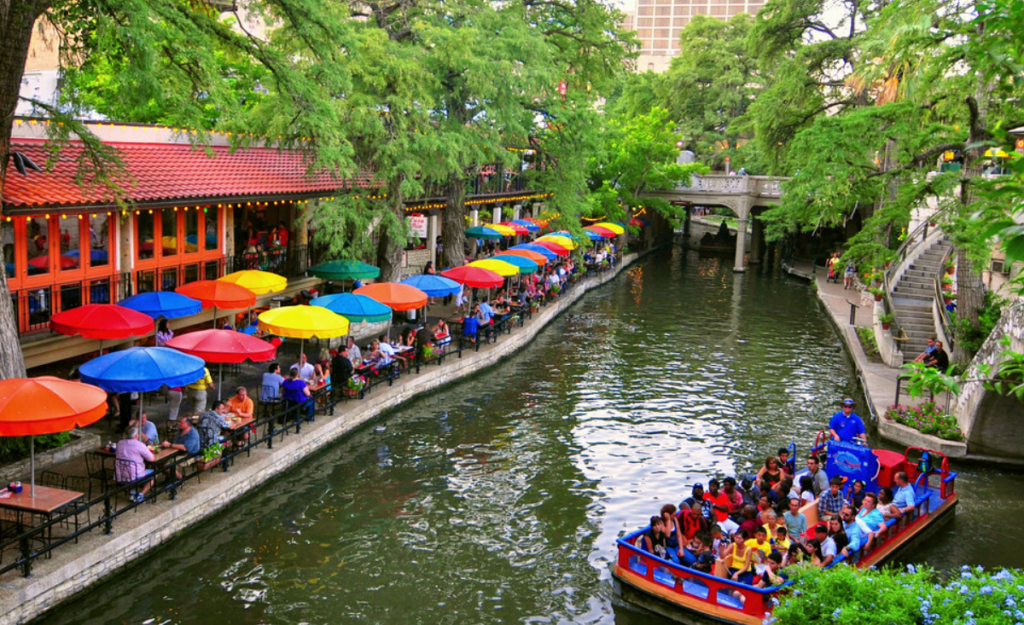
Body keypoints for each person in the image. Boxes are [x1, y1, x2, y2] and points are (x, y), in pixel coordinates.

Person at [115, 426, 155, 503]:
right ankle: (141, 494)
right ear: (136, 436)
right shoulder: (139, 445)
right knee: (154, 474)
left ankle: (133, 492)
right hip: (134, 475)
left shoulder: (119, 443)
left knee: (134, 470)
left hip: (120, 475)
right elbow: (152, 459)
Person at [162, 416, 201, 481]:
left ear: (187, 424)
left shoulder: (193, 434)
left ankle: (181, 478)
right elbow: (176, 442)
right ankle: (170, 479)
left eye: (181, 422)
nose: (179, 423)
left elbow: (185, 448)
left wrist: (169, 445)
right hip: (178, 452)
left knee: (168, 466)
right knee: (161, 463)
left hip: (190, 455)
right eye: (179, 422)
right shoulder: (180, 431)